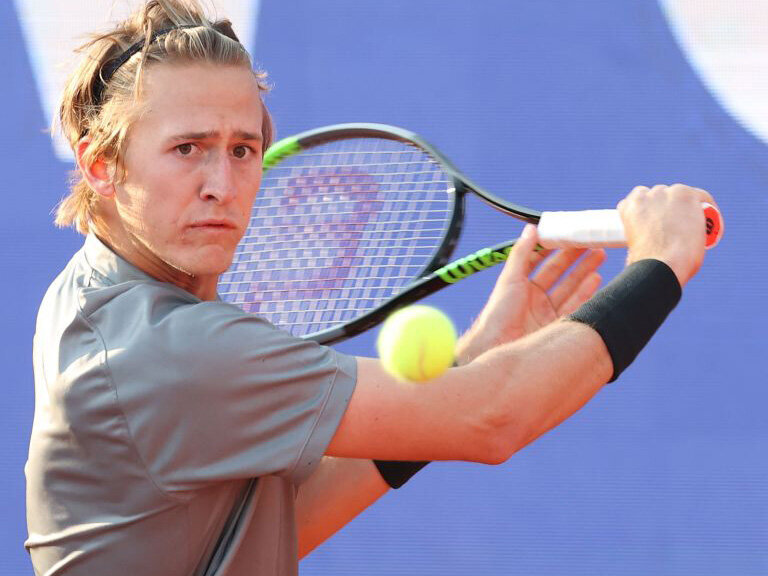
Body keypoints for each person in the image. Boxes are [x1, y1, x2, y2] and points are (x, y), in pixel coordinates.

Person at [25, 1, 717, 575]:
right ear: (101, 165)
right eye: (187, 149)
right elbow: (495, 418)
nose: (223, 184)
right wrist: (659, 265)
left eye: (242, 150)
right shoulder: (172, 349)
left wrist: (475, 355)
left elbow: (278, 527)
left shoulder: (89, 295)